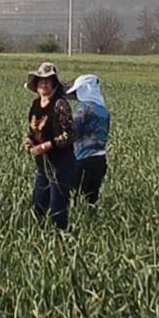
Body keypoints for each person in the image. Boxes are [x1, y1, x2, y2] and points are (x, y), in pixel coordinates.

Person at [24, 62, 77, 230]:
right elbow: (34, 130)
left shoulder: (60, 104)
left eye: (48, 81)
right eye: (41, 81)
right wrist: (29, 140)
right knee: (38, 205)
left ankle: (61, 237)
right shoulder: (36, 104)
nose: (44, 84)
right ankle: (40, 237)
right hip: (43, 164)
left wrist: (47, 145)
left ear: (54, 84)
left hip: (60, 164)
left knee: (57, 208)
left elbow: (70, 134)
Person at [67, 73, 111, 204]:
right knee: (91, 198)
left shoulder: (84, 108)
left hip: (83, 158)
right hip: (100, 158)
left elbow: (73, 131)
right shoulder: (103, 110)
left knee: (74, 198)